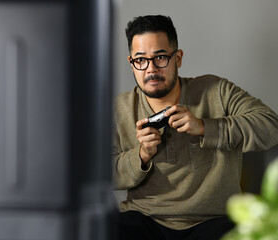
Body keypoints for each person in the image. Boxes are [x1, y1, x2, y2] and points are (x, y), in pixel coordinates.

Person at [112, 15, 278, 240]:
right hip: (144, 220)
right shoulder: (118, 108)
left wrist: (204, 127)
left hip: (214, 220)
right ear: (131, 63)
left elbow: (270, 126)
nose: (150, 69)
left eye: (160, 57)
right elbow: (102, 176)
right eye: (140, 60)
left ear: (178, 58)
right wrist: (140, 156)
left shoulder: (217, 91)